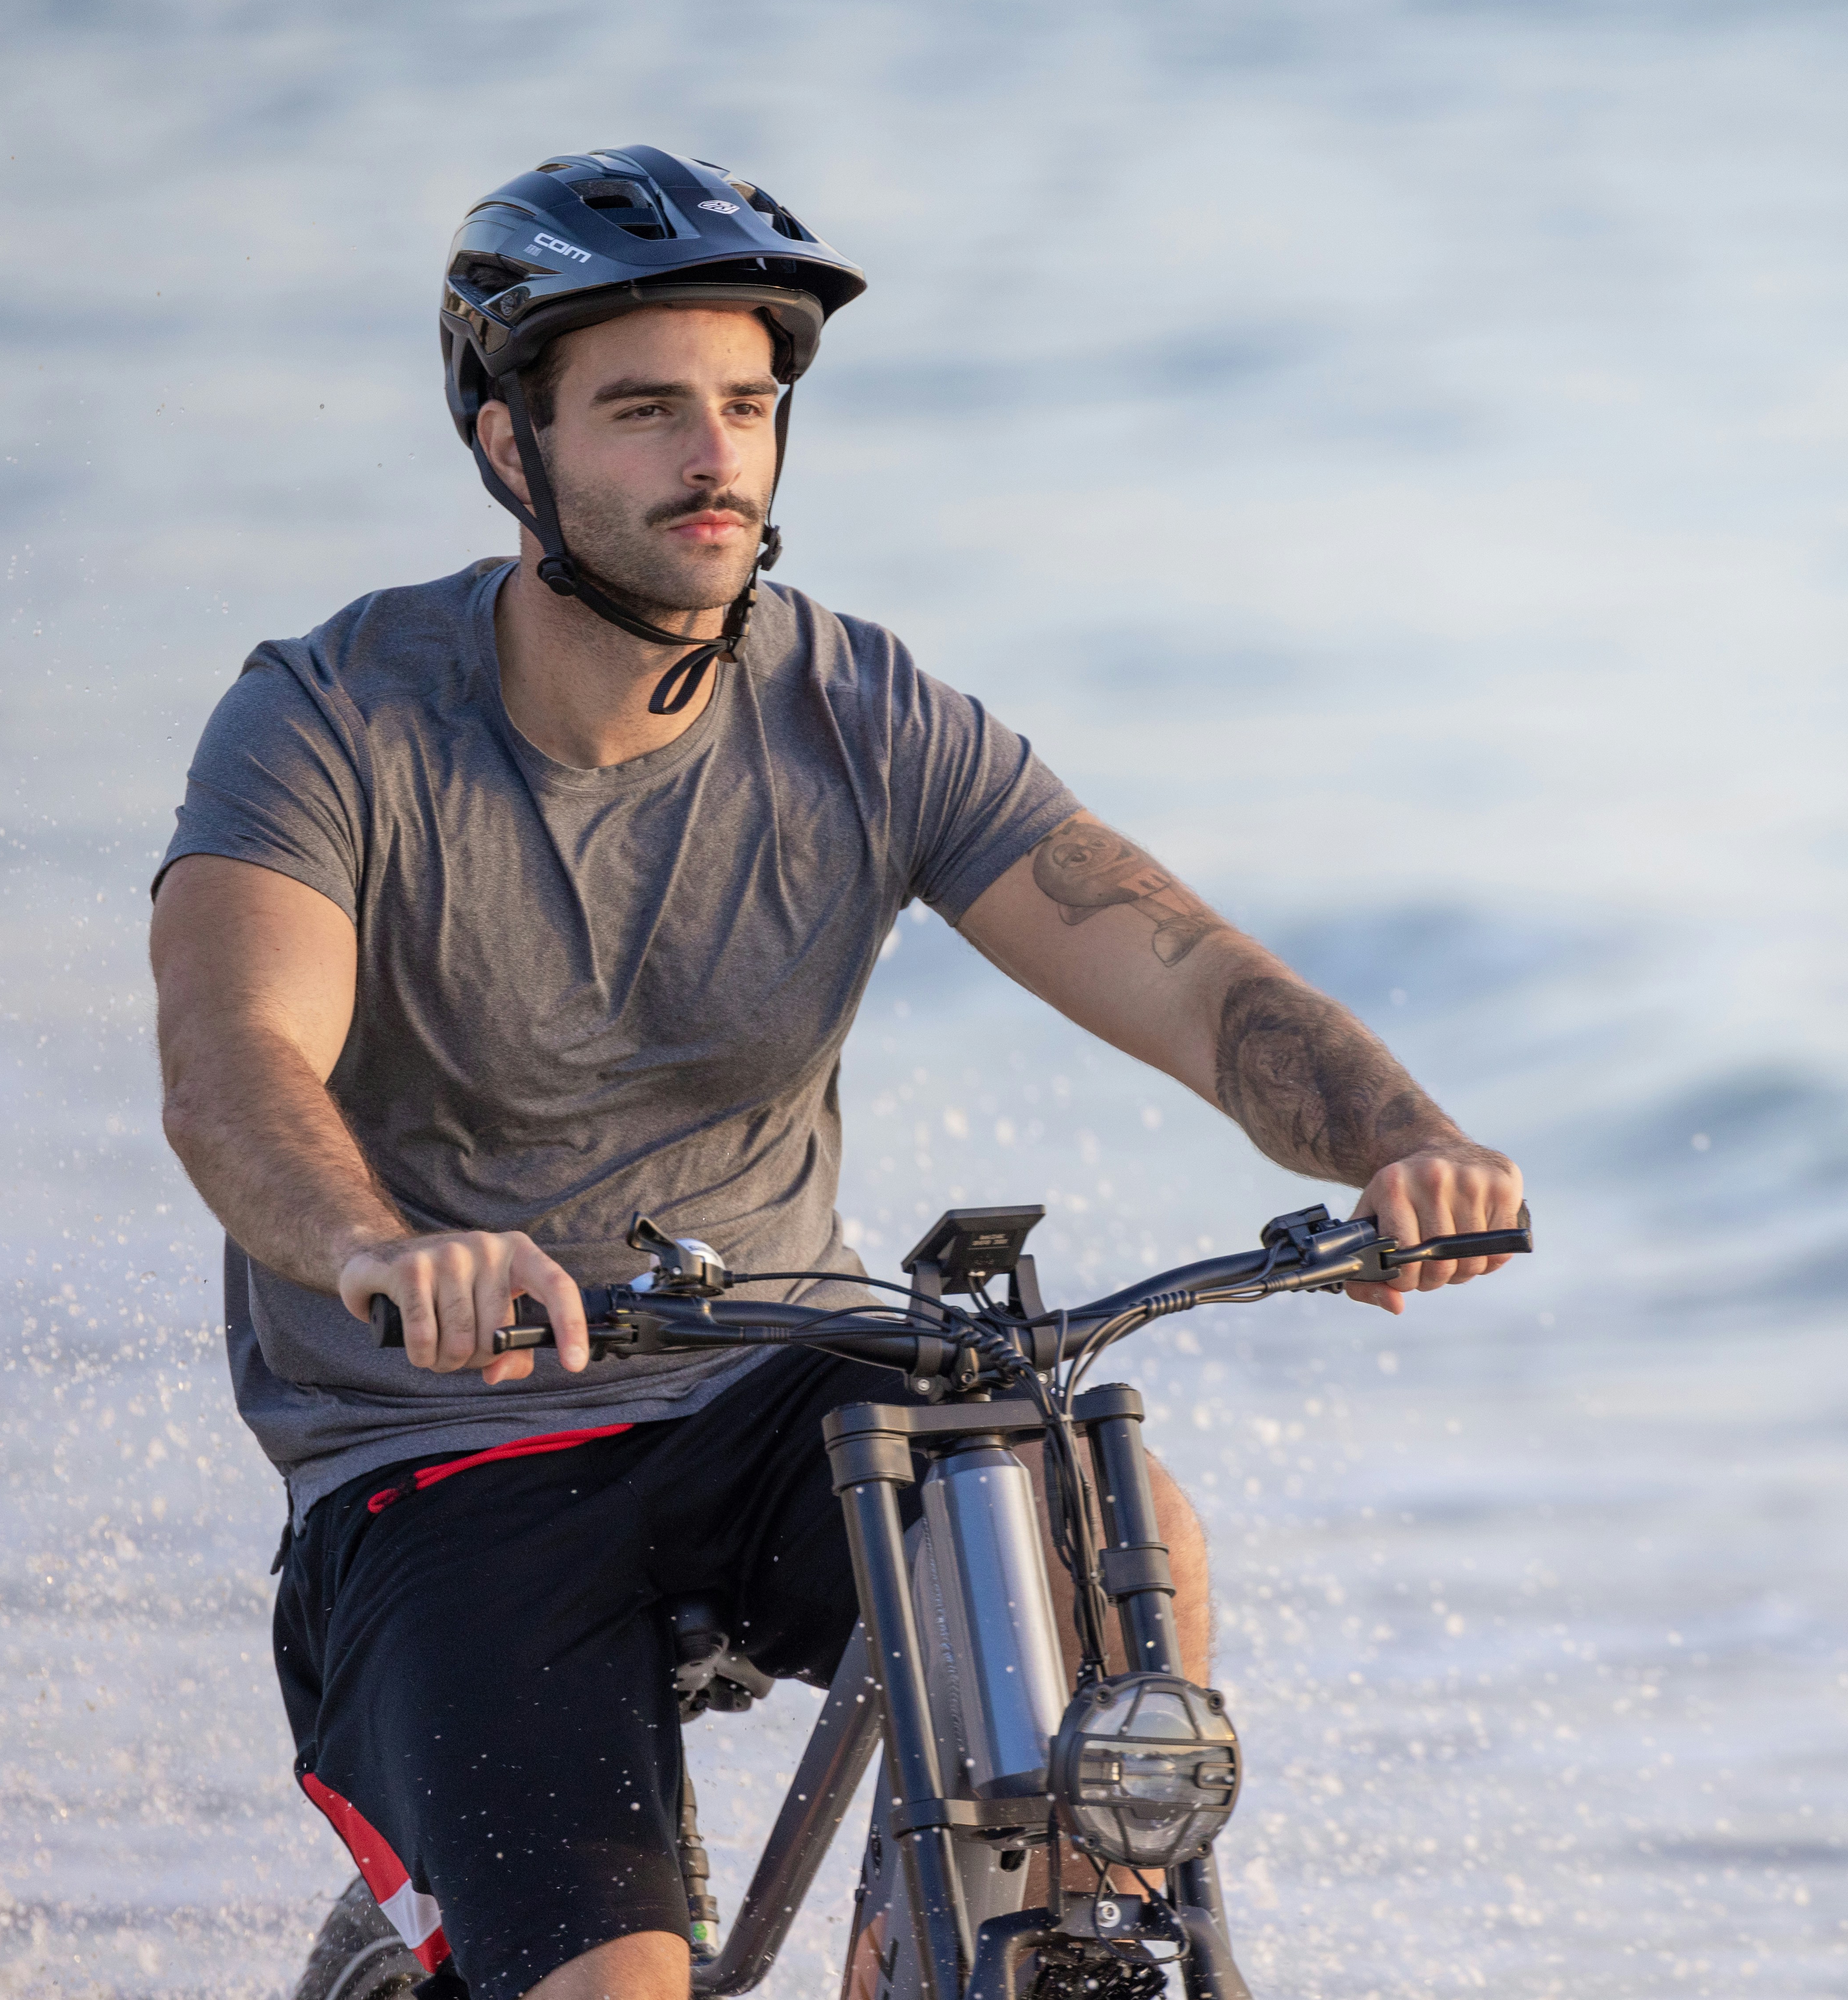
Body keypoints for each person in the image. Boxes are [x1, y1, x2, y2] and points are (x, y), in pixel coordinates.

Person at [146, 146, 1525, 2000]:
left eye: (744, 404)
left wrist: (1402, 1141)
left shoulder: (864, 715)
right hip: (447, 1453)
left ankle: (997, 1948)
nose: (713, 458)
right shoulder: (330, 718)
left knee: (1078, 1496)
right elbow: (235, 1059)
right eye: (641, 413)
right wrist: (385, 1248)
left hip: (784, 1407)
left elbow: (1191, 982)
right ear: (505, 444)